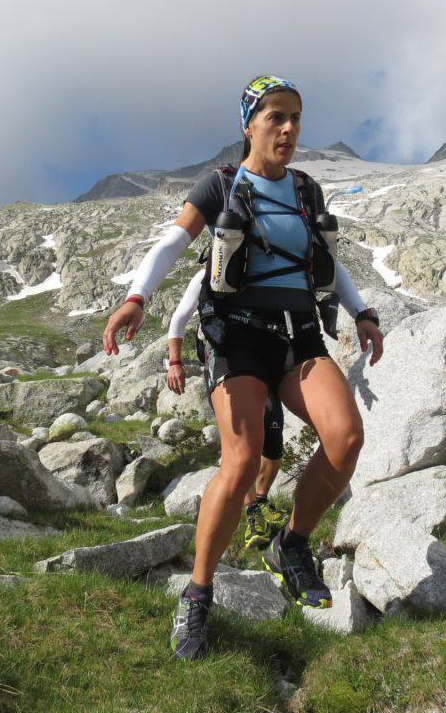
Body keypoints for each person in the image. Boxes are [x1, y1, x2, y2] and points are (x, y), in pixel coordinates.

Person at [103, 74, 383, 661]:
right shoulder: (221, 184)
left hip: (298, 333)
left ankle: (292, 543)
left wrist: (362, 312)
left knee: (346, 437)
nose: (289, 128)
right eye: (276, 116)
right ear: (248, 125)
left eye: (295, 117)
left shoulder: (306, 190)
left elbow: (328, 260)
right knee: (242, 461)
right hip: (235, 335)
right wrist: (137, 297)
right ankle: (198, 593)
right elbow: (172, 244)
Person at [166, 268, 289, 550]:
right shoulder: (209, 273)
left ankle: (260, 500)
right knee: (242, 446)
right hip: (223, 358)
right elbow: (179, 319)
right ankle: (251, 511)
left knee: (273, 442)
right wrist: (175, 362)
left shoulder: (266, 270)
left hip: (262, 358)